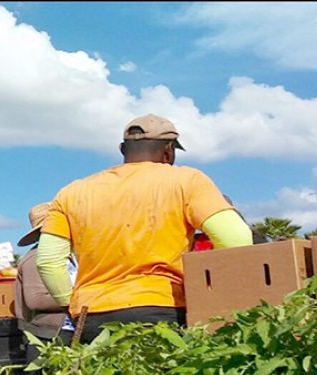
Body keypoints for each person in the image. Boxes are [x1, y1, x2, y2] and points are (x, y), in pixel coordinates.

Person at [36, 113, 253, 343]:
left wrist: (71, 303)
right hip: (162, 310)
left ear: (122, 149)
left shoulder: (71, 192)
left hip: (93, 317)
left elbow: (48, 262)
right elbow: (236, 239)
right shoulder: (187, 181)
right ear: (169, 150)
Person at [14, 202, 77, 375]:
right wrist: (78, 300)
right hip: (49, 334)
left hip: (68, 331)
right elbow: (36, 299)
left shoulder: (66, 256)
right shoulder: (35, 258)